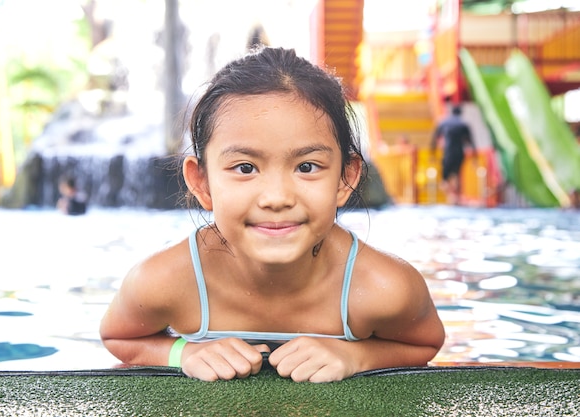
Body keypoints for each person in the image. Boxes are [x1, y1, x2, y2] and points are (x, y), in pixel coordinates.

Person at [99, 47, 445, 383]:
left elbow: (424, 343)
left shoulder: (381, 287)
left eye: (307, 167)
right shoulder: (166, 281)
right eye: (245, 167)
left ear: (346, 178)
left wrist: (355, 357)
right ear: (201, 182)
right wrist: (183, 354)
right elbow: (120, 338)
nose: (277, 198)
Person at [430, 104, 476, 205]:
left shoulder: (444, 122)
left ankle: (451, 196)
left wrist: (432, 153)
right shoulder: (463, 124)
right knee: (457, 175)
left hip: (448, 153)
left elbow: (434, 138)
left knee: (444, 178)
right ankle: (456, 197)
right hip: (459, 153)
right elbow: (471, 141)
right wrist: (474, 156)